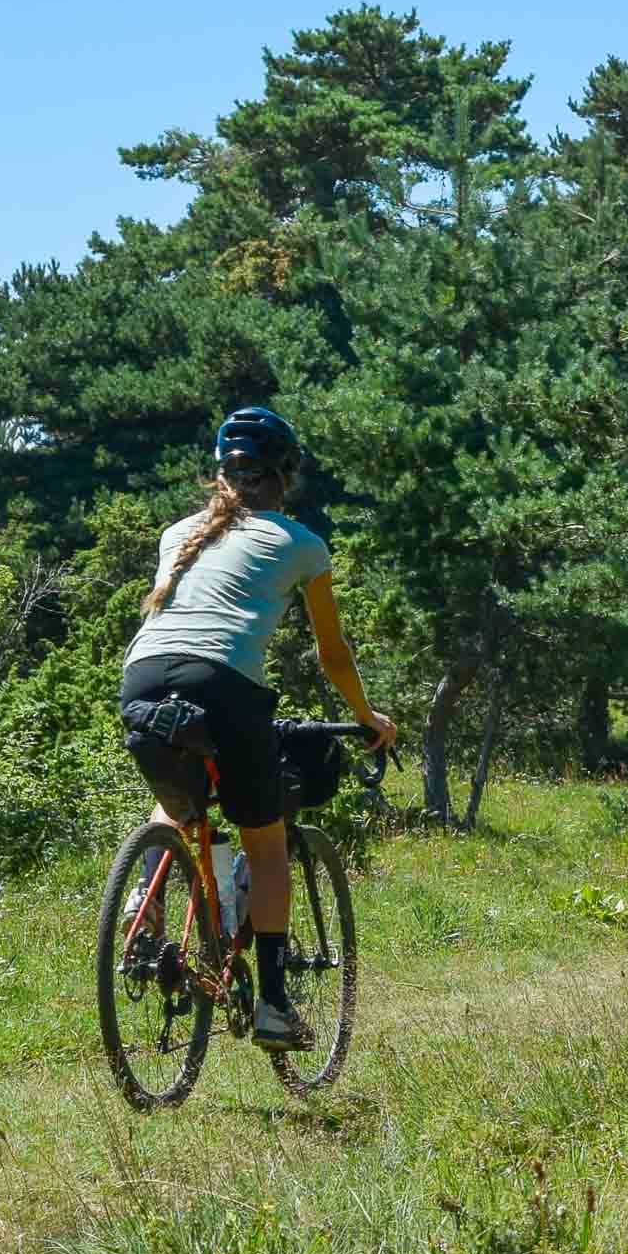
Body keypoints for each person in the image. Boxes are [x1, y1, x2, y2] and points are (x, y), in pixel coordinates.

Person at [121, 406, 394, 1048]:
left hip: (140, 676)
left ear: (222, 475)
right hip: (223, 683)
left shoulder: (178, 532)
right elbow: (332, 653)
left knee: (179, 805)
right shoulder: (300, 543)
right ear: (285, 475)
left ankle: (145, 897)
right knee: (266, 844)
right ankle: (273, 1007)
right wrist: (367, 716)